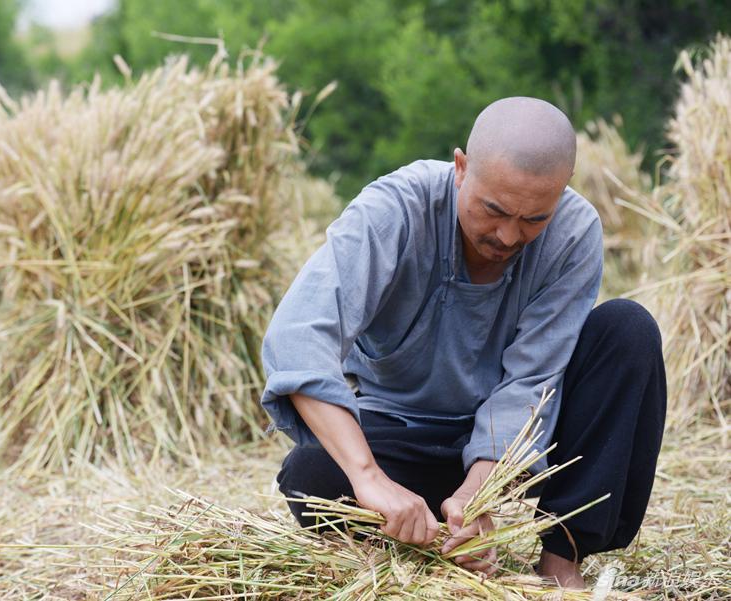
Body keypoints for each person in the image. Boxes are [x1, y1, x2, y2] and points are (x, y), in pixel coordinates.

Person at [259, 96, 667, 589]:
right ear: (461, 168)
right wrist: (369, 478)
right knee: (311, 476)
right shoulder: (394, 210)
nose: (508, 235)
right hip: (402, 435)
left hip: (516, 448)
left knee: (629, 329)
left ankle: (563, 558)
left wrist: (482, 492)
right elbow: (299, 334)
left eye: (534, 219)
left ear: (560, 194)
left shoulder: (575, 233)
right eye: (493, 210)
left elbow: (532, 380)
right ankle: (427, 529)